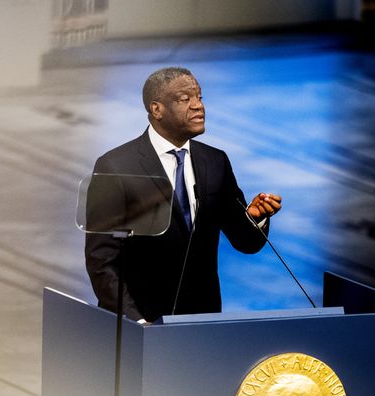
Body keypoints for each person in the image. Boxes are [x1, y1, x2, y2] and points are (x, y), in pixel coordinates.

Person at [85, 66, 281, 323]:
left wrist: (256, 219)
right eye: (185, 99)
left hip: (201, 326)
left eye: (199, 97)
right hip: (142, 324)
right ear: (157, 109)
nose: (198, 106)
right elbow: (102, 261)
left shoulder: (215, 162)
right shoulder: (116, 167)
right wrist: (137, 323)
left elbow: (246, 242)